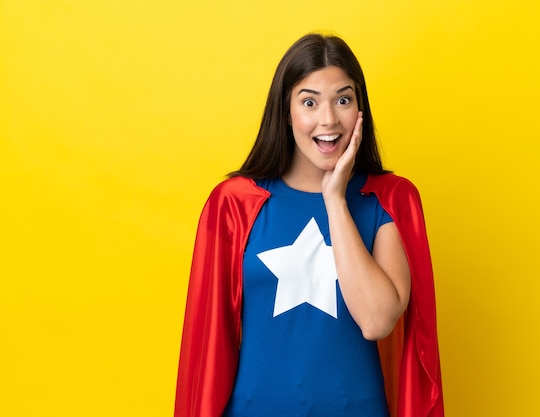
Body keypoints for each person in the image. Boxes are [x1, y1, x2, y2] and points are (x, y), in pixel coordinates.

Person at [174, 33, 444, 417]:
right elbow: (207, 347)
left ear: (360, 110)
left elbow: (377, 320)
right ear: (286, 112)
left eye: (343, 99)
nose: (329, 119)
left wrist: (334, 199)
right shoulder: (233, 204)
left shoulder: (389, 199)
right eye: (310, 102)